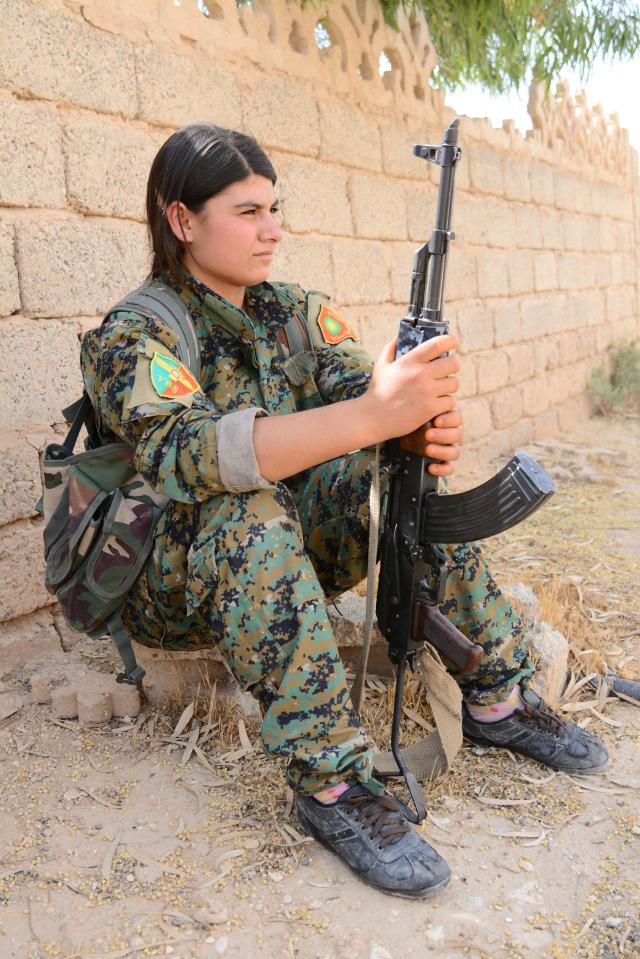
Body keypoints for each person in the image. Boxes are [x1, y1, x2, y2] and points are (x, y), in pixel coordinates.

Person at [80, 123, 608, 899]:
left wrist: (414, 419)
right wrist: (370, 419)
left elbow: (368, 400)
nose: (273, 229)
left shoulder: (292, 310)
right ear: (181, 220)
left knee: (401, 477)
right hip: (175, 578)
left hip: (282, 550)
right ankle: (332, 783)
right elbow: (189, 454)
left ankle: (495, 693)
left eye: (276, 208)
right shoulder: (134, 334)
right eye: (248, 211)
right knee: (248, 508)